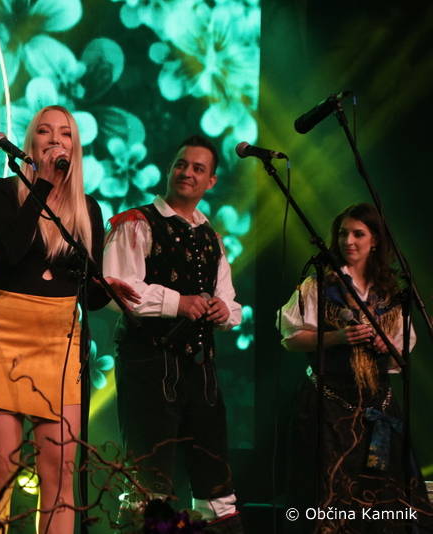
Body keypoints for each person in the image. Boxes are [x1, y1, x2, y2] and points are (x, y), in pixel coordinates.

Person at [0, 105, 138, 534]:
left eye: (66, 133)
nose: (55, 139)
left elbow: (88, 296)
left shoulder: (87, 208)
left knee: (59, 475)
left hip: (59, 340)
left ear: (75, 148)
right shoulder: (2, 192)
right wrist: (40, 182)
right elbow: (10, 253)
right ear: (31, 143)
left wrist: (107, 286)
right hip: (3, 334)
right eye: (45, 131)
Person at [103, 135, 244, 533]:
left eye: (198, 168)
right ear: (170, 169)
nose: (187, 173)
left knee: (215, 481)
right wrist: (178, 303)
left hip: (199, 370)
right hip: (148, 365)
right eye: (181, 164)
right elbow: (116, 288)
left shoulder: (211, 236)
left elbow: (230, 301)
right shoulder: (136, 223)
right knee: (150, 479)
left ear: (211, 181)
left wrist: (223, 311)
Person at [277, 203, 433, 533]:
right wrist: (338, 337)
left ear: (375, 240)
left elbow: (402, 351)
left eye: (358, 234)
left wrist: (387, 347)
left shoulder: (391, 291)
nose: (348, 241)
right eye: (343, 233)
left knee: (382, 495)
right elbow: (291, 338)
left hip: (378, 409)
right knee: (330, 496)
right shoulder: (320, 284)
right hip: (329, 406)